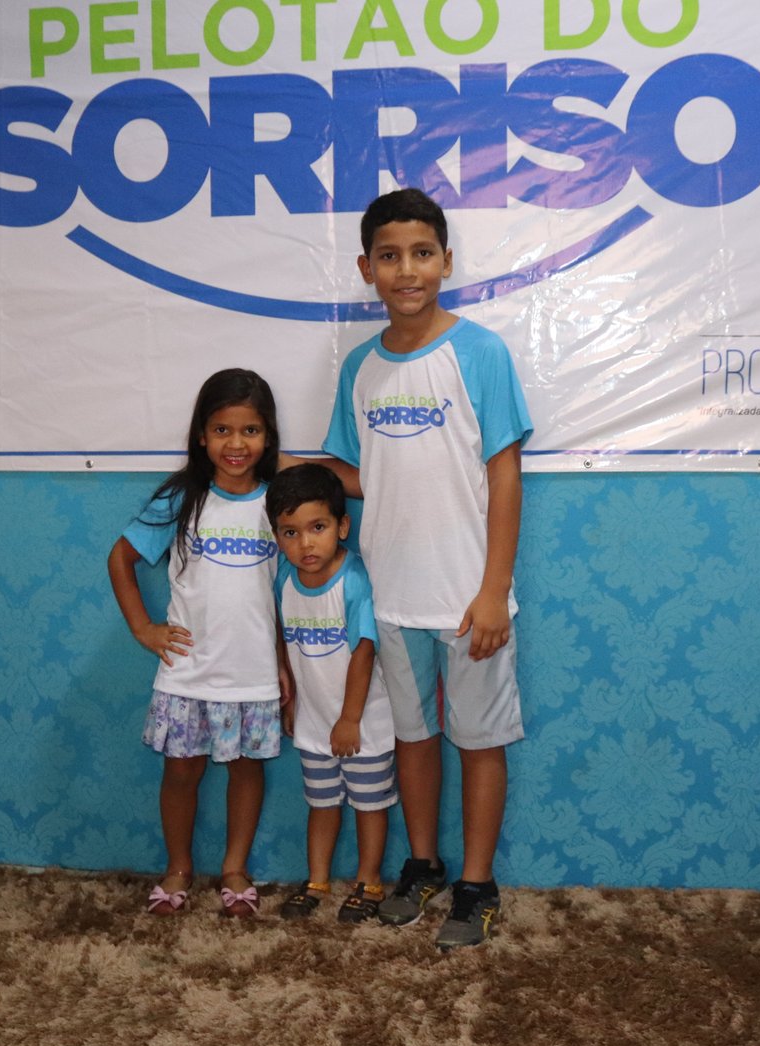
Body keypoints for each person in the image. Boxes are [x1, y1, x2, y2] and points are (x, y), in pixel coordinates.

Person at [315, 187, 533, 950]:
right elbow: (362, 473)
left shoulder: (481, 353)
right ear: (366, 269)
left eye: (421, 253)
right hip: (392, 597)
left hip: (471, 599)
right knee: (413, 736)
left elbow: (504, 475)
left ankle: (477, 883)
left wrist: (494, 590)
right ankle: (424, 863)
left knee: (478, 739)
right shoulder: (359, 369)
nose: (406, 270)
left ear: (446, 260)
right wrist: (292, 467)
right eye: (389, 256)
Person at [107, 368, 286, 918]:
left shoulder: (280, 502)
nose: (236, 444)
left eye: (250, 430)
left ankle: (234, 868)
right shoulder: (182, 499)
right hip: (187, 670)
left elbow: (287, 592)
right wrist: (143, 628)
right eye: (222, 430)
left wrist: (285, 664)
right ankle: (178, 867)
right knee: (181, 770)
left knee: (246, 768)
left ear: (268, 436)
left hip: (253, 670)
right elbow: (121, 558)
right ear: (201, 435)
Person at [265, 463, 396, 923]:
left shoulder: (354, 579)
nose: (305, 543)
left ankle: (369, 881)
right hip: (314, 721)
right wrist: (291, 699)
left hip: (363, 723)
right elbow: (283, 636)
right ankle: (317, 879)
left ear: (342, 526)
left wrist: (350, 719)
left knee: (369, 805)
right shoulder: (284, 579)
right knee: (321, 805)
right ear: (277, 536)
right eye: (291, 532)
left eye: (317, 528)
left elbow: (364, 652)